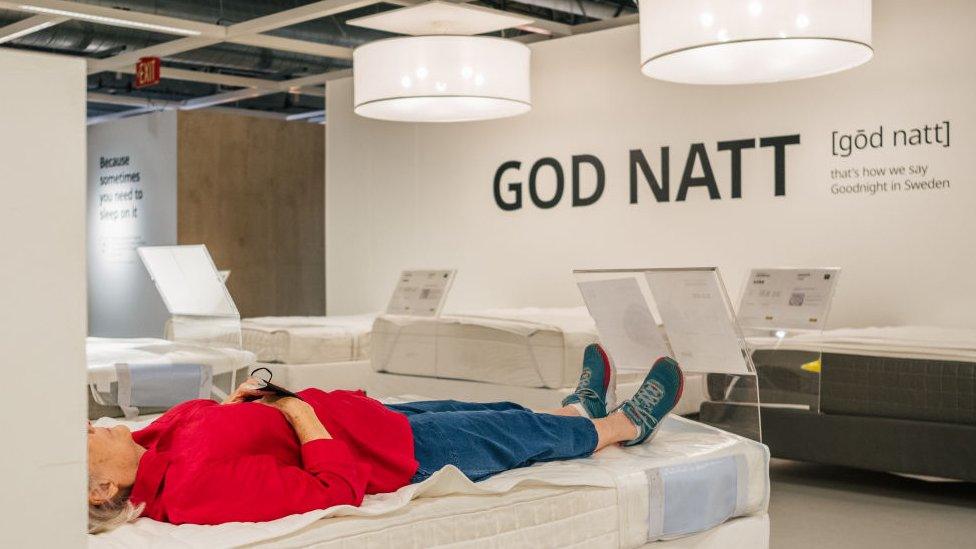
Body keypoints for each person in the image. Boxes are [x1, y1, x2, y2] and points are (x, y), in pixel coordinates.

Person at [88, 344, 684, 533]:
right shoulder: (190, 492)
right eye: (85, 439)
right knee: (513, 433)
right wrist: (292, 410)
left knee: (499, 409)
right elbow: (333, 487)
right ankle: (622, 426)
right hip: (391, 454)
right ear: (102, 490)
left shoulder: (150, 436)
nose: (90, 425)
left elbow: (228, 432)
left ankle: (576, 410)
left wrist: (246, 403)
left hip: (365, 417)